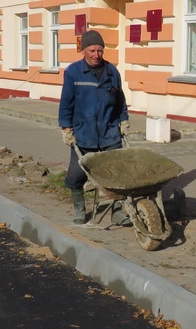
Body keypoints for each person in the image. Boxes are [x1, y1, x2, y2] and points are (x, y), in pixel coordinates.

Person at [58, 29, 130, 225]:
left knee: (116, 172)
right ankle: (80, 210)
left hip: (109, 131)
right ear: (83, 51)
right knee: (77, 173)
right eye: (92, 51)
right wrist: (66, 128)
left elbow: (120, 99)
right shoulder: (73, 72)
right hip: (84, 131)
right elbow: (66, 102)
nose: (96, 55)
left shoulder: (111, 71)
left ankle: (117, 212)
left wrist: (123, 120)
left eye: (100, 50)